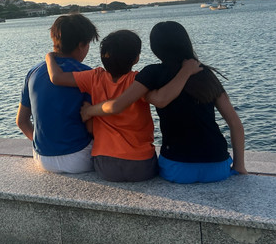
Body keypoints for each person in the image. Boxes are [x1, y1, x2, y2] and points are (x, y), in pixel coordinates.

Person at [81, 21, 247, 184]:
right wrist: (239, 166)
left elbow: (132, 103)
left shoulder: (152, 73)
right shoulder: (205, 74)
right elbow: (235, 123)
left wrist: (89, 111)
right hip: (218, 167)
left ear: (155, 48)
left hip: (177, 168)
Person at [46, 29, 202, 182]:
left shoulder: (93, 77)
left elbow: (57, 77)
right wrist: (185, 72)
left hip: (105, 166)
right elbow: (162, 98)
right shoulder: (139, 81)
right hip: (142, 166)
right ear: (136, 59)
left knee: (86, 104)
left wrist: (49, 57)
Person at [16, 13, 99, 173]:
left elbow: (21, 121)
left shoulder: (33, 72)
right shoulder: (88, 74)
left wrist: (46, 146)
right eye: (88, 44)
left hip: (42, 158)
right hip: (79, 158)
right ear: (81, 44)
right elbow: (93, 127)